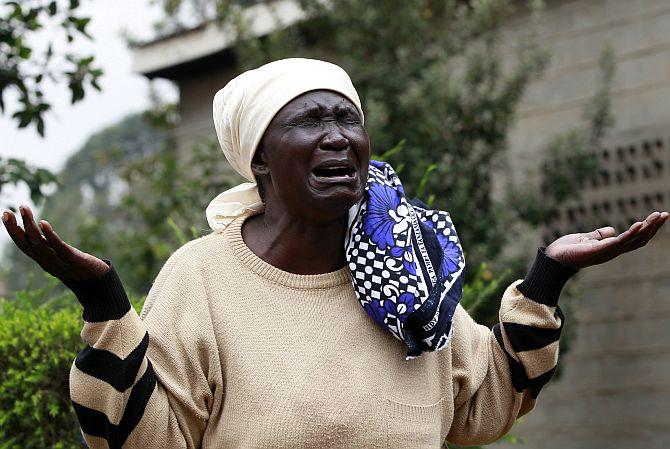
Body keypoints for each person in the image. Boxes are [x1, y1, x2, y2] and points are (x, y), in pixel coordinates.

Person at [2, 58, 668, 449]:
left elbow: (489, 398)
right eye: (309, 121)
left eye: (347, 119)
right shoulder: (202, 278)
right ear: (259, 155)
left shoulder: (406, 265)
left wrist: (549, 274)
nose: (338, 137)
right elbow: (140, 440)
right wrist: (103, 302)